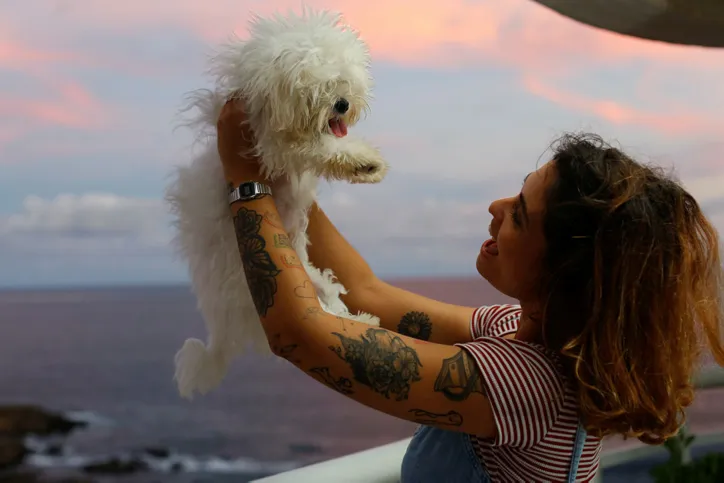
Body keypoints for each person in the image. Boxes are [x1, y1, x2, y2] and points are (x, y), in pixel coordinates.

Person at [217, 99, 724, 482]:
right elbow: (364, 293)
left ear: (565, 274)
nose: (495, 208)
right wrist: (284, 176)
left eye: (520, 215)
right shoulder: (522, 334)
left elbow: (299, 334)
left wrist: (245, 181)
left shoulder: (526, 385)